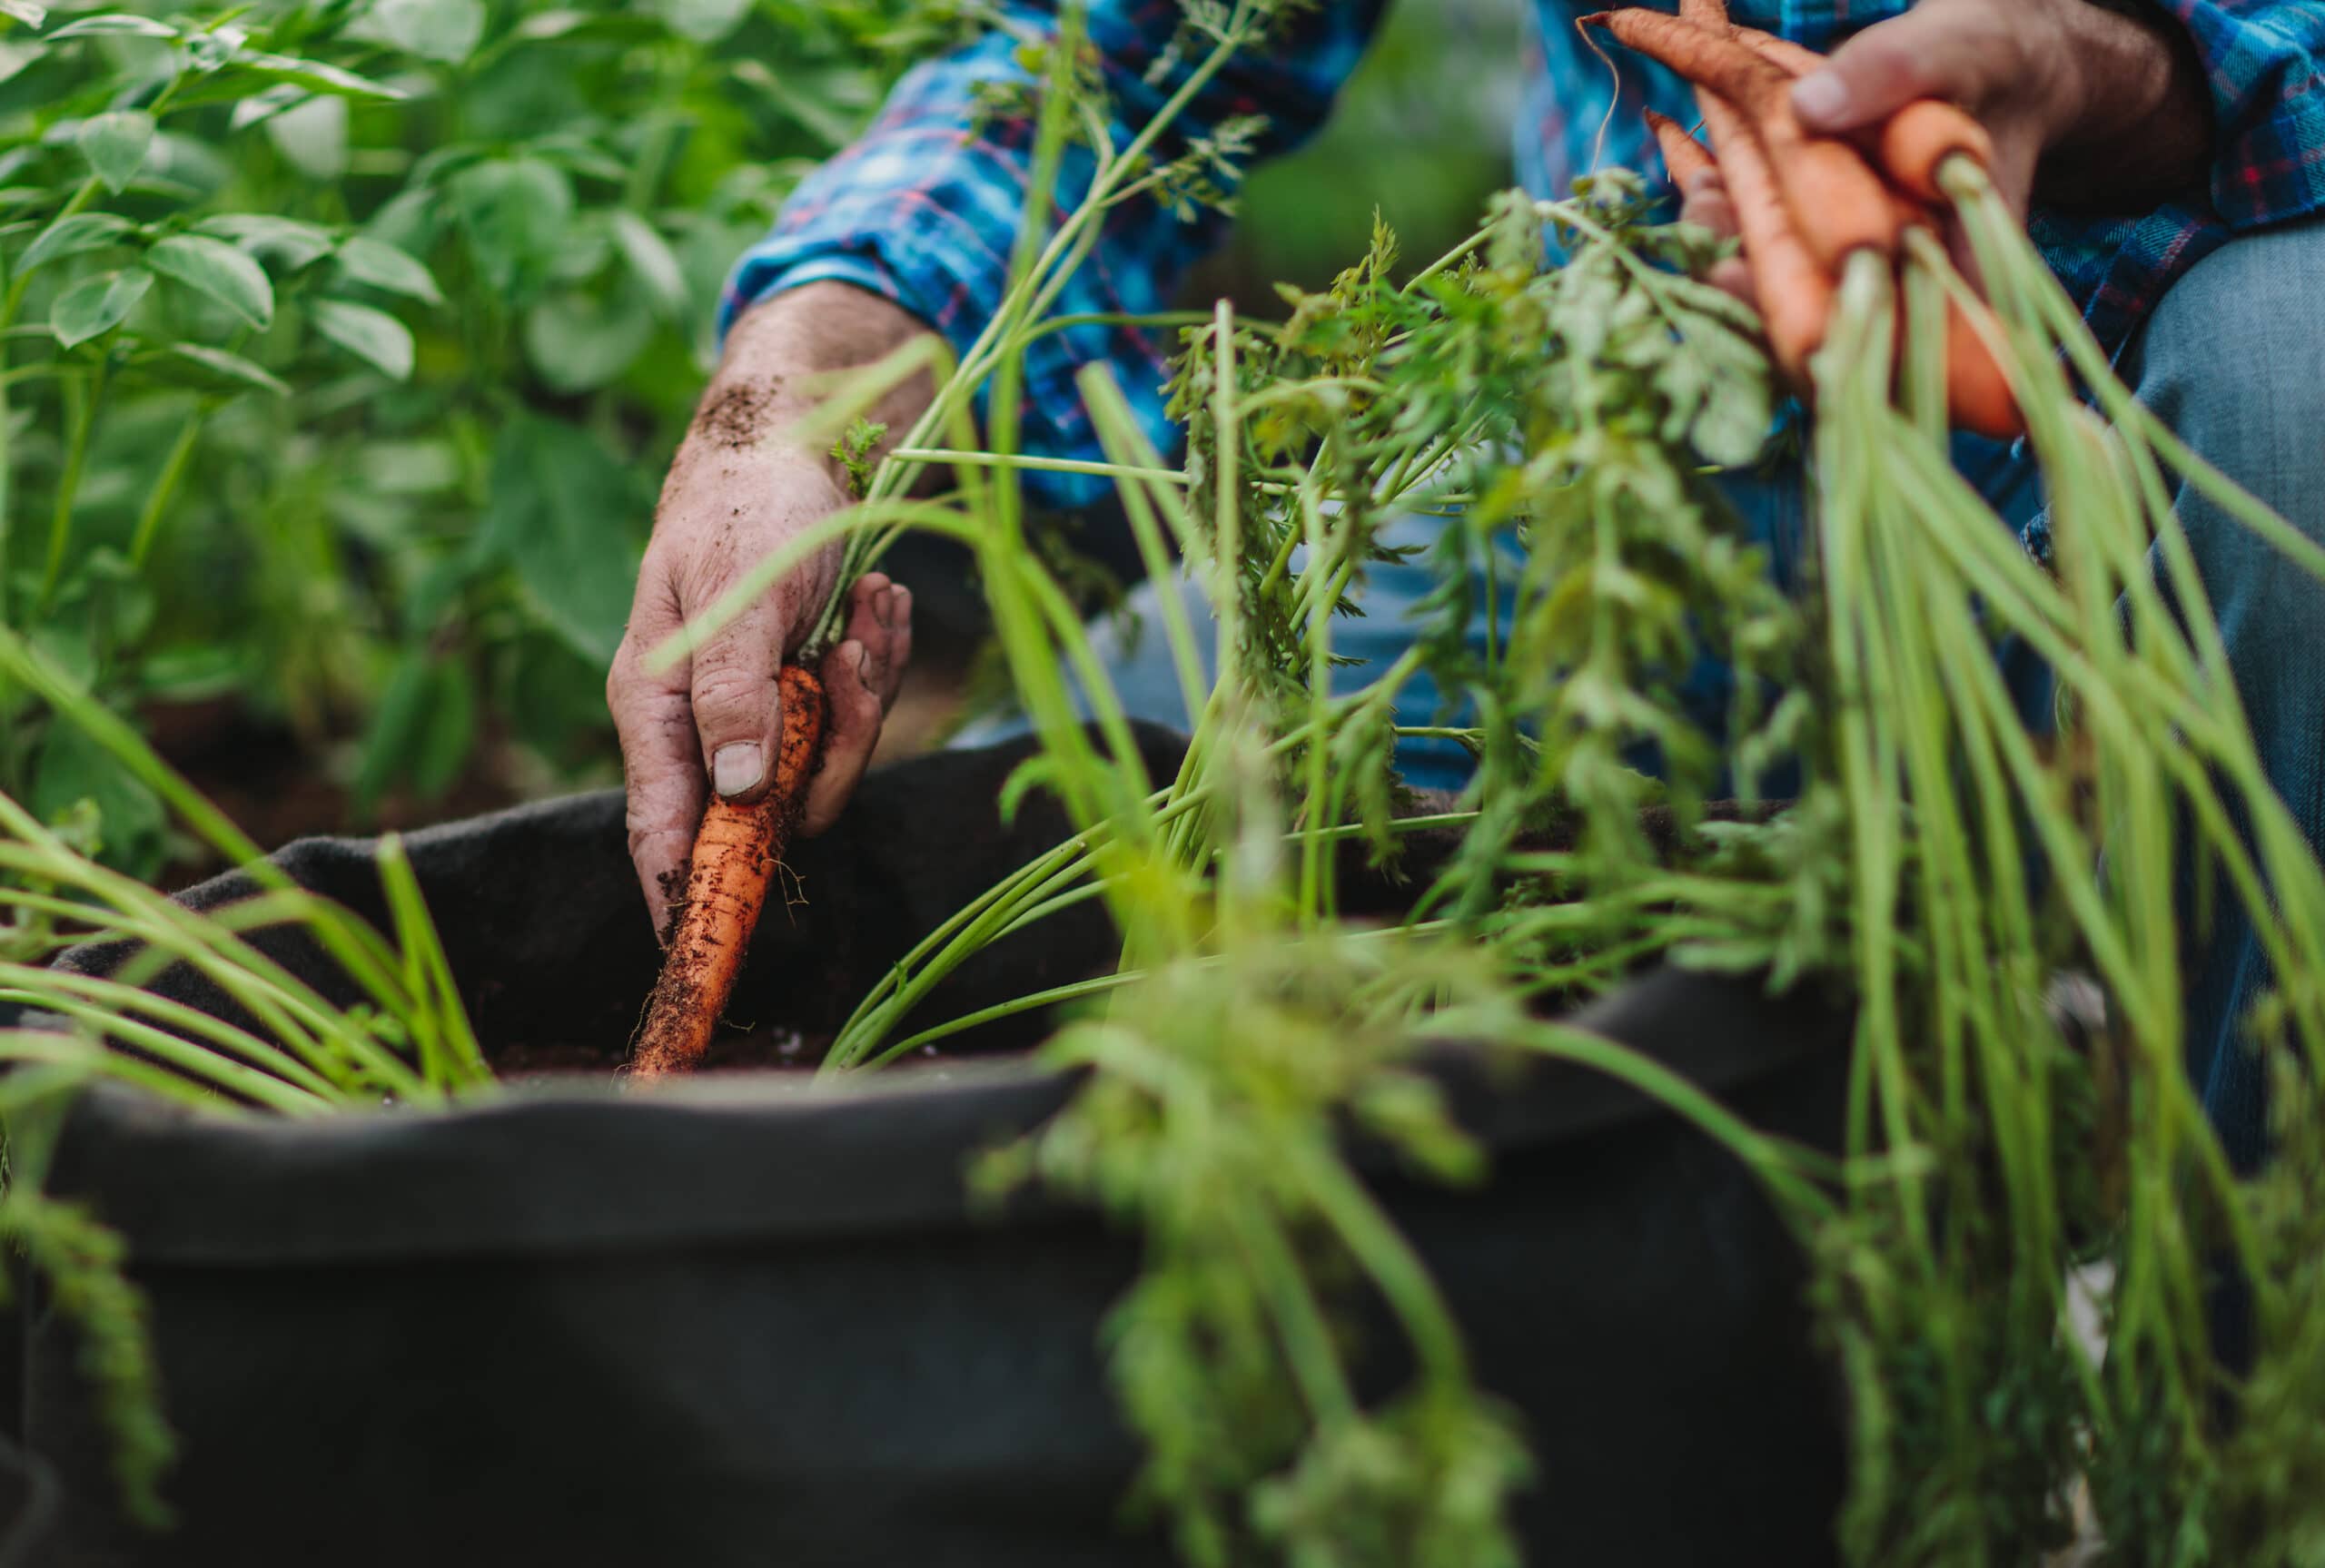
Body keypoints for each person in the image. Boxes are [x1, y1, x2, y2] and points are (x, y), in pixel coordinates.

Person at [607, 0, 2325, 1163]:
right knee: (1065, 819)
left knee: (2295, 391)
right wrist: (783, 404)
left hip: (2122, 426)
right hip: (1631, 442)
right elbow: (1113, 55)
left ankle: (2246, 1320)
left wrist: (2096, 71)